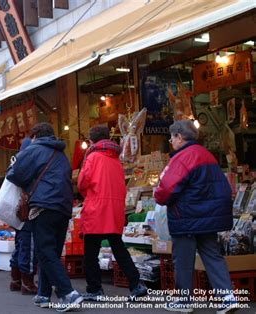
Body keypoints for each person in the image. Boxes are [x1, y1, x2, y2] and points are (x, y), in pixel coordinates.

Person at [154, 120, 236, 313]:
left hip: (186, 217)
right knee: (213, 255)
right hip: (209, 218)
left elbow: (166, 188)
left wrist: (158, 196)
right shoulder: (206, 155)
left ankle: (184, 301)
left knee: (183, 259)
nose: (171, 141)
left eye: (172, 137)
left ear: (179, 137)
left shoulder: (182, 157)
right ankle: (228, 297)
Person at [7, 122, 82, 312]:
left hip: (43, 206)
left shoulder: (34, 150)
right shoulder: (61, 154)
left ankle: (68, 293)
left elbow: (13, 173)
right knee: (51, 252)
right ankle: (43, 294)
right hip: (64, 207)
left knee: (45, 251)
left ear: (35, 136)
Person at [78, 126, 147, 302]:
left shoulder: (92, 157)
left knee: (90, 252)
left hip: (96, 209)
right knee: (119, 248)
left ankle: (95, 289)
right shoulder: (116, 158)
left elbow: (82, 183)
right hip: (114, 209)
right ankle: (136, 284)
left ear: (92, 141)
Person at [9, 138, 38, 295]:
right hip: (27, 211)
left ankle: (16, 280)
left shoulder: (15, 162)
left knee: (20, 245)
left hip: (17, 211)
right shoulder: (27, 165)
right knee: (28, 246)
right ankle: (27, 283)